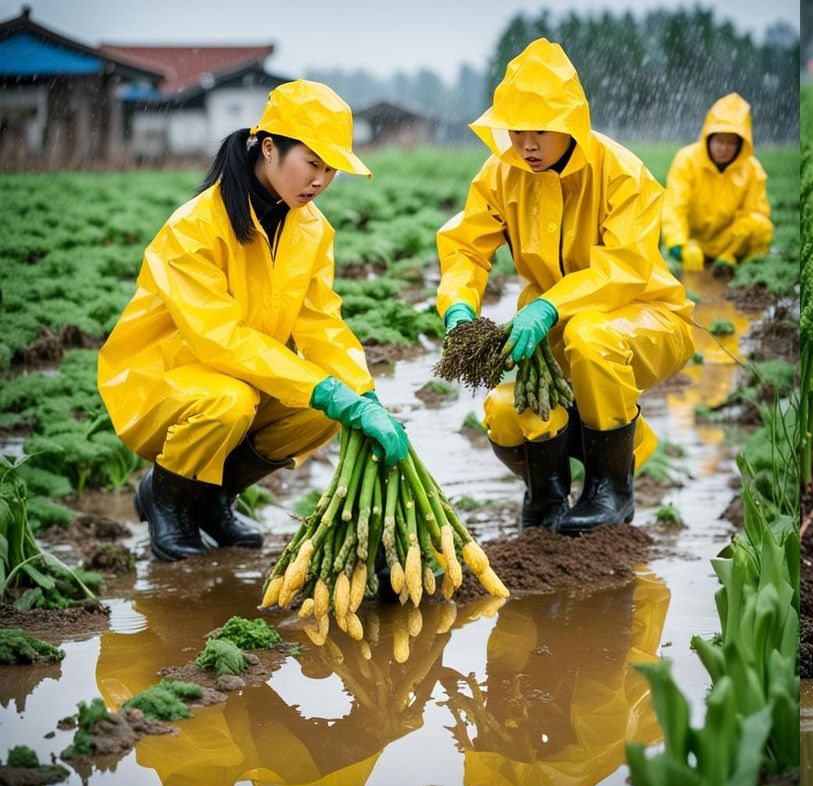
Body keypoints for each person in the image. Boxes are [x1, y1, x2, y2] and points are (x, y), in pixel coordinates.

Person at [98, 81, 408, 563]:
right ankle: (168, 497)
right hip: (162, 381)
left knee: (319, 411)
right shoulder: (195, 228)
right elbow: (219, 340)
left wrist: (361, 395)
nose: (320, 181)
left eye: (331, 170)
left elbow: (322, 323)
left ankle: (214, 498)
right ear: (269, 148)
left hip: (247, 376)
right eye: (312, 163)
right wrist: (325, 388)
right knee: (231, 401)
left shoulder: (312, 229)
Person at [437, 40, 694, 537]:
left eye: (540, 130)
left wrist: (550, 306)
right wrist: (458, 308)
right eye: (516, 130)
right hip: (556, 323)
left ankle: (610, 491)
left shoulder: (622, 173)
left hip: (648, 315)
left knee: (591, 337)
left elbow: (623, 268)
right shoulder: (501, 173)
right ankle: (547, 497)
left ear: (570, 124)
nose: (526, 144)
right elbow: (466, 250)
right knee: (507, 411)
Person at [662, 93, 773, 276]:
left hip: (727, 241)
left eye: (731, 142)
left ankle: (742, 268)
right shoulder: (686, 159)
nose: (724, 148)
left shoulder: (752, 169)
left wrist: (731, 252)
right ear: (708, 138)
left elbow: (757, 214)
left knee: (761, 225)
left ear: (741, 145)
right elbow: (675, 206)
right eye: (719, 140)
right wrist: (678, 243)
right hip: (693, 242)